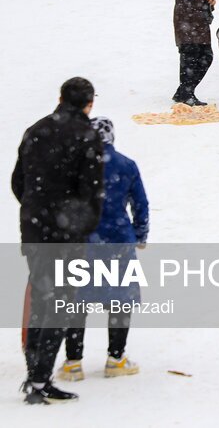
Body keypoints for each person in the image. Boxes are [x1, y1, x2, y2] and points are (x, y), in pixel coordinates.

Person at [11, 77, 104, 404]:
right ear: (89, 103)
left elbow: (17, 181)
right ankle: (39, 380)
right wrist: (79, 227)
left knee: (40, 300)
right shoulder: (87, 136)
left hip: (35, 230)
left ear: (60, 97)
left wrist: (35, 210)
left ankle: (34, 375)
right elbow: (91, 192)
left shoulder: (35, 130)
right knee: (60, 305)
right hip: (66, 235)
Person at [58, 117, 148, 382]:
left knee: (76, 302)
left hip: (82, 242)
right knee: (120, 301)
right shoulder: (126, 165)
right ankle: (116, 358)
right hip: (118, 241)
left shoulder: (75, 167)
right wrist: (140, 235)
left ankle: (73, 362)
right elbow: (140, 204)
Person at [170, 0, 215, 106]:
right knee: (189, 57)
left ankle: (184, 92)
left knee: (206, 56)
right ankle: (186, 94)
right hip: (185, 19)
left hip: (199, 19)